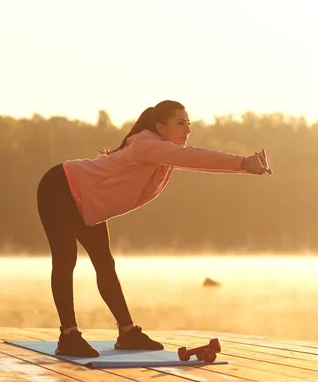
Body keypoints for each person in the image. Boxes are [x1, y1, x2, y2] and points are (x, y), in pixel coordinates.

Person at [36, 100, 271, 357]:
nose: (187, 130)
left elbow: (196, 160)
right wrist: (243, 163)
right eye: (180, 124)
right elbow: (194, 156)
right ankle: (68, 335)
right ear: (160, 127)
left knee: (104, 264)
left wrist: (242, 167)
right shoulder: (147, 146)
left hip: (87, 201)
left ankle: (127, 332)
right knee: (65, 259)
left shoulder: (159, 151)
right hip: (60, 187)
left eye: (188, 124)